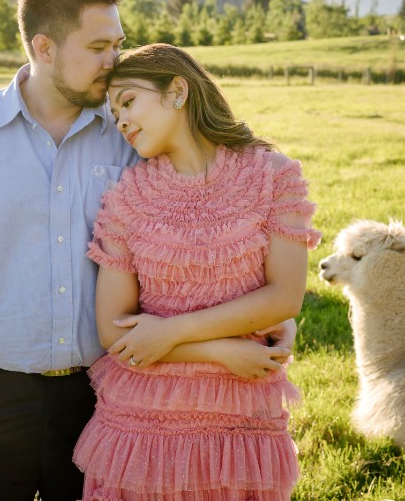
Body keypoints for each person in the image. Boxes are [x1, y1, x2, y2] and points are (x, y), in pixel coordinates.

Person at [0, 0, 288, 500]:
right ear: (44, 47)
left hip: (105, 399)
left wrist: (265, 323)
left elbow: (212, 221)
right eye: (98, 47)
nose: (115, 60)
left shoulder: (134, 132)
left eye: (118, 43)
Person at [72, 43, 322, 500]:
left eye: (128, 101)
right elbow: (115, 332)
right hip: (140, 423)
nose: (121, 120)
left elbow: (284, 298)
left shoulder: (273, 176)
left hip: (240, 415)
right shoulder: (127, 196)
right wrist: (220, 351)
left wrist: (171, 331)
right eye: (114, 112)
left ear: (177, 91)